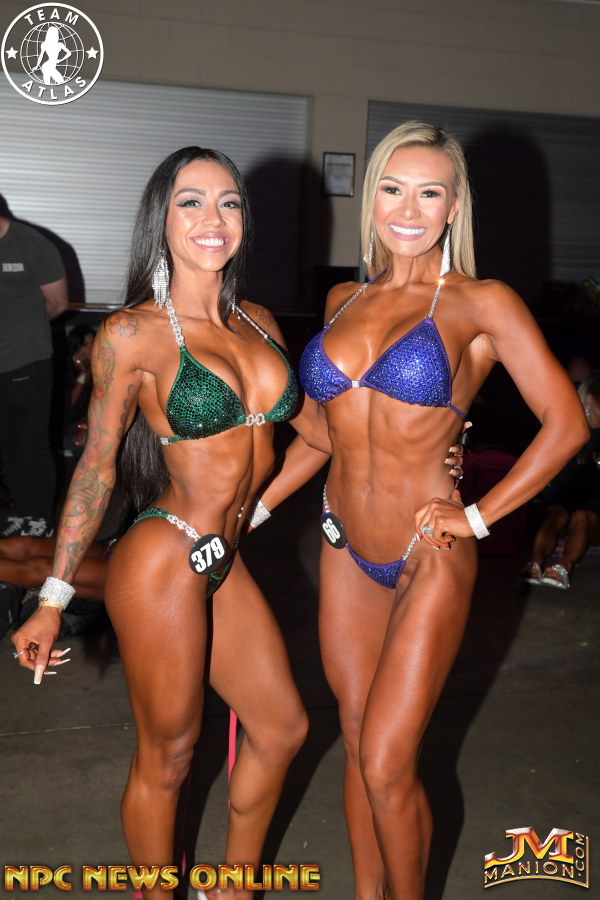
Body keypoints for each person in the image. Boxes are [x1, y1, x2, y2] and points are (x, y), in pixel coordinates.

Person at [255, 121, 588, 899]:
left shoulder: (480, 302)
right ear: (371, 197)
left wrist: (478, 517)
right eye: (392, 188)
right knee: (356, 739)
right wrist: (251, 504)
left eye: (429, 192)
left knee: (386, 762)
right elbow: (323, 432)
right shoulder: (343, 298)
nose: (408, 209)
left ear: (453, 206)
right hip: (344, 548)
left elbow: (567, 423)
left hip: (425, 553)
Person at [9, 147, 335, 900]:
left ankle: (234, 888)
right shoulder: (133, 333)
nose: (212, 219)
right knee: (172, 753)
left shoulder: (258, 321)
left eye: (229, 202)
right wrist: (53, 597)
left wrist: (258, 509)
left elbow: (319, 436)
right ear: (160, 218)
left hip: (223, 555)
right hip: (164, 556)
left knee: (282, 727)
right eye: (191, 202)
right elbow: (96, 467)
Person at [0, 213, 68, 538]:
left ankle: (41, 518)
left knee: (33, 444)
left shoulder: (32, 245)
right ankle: (22, 512)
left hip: (28, 361)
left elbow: (57, 303)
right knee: (8, 445)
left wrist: (22, 331)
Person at [521, 370, 600, 589]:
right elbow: (556, 482)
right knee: (556, 512)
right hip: (562, 507)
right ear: (590, 400)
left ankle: (564, 566)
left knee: (582, 517)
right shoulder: (571, 430)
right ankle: (535, 562)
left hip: (592, 516)